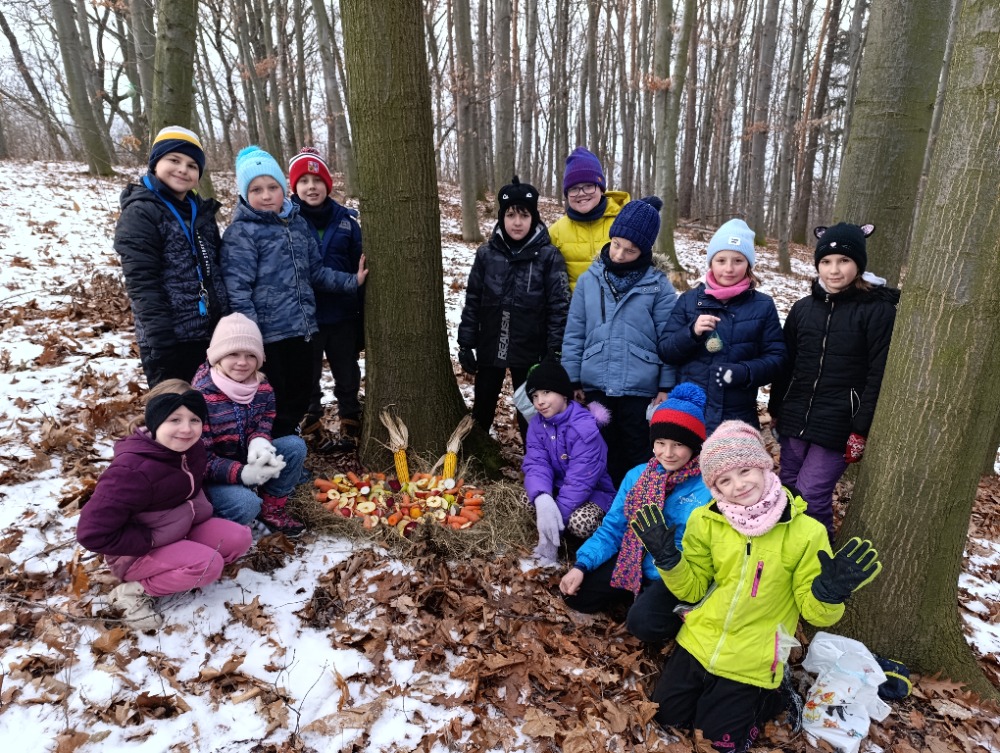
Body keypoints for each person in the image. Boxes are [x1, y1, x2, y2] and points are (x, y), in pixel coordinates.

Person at [630, 420, 882, 752]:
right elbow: (692, 591)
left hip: (753, 658)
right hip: (699, 642)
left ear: (763, 466)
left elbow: (815, 614)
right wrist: (669, 560)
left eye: (745, 471)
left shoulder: (806, 533)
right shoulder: (706, 521)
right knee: (666, 719)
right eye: (724, 480)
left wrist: (828, 593)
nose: (738, 485)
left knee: (719, 744)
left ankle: (769, 697)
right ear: (715, 487)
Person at [76, 380, 253, 630]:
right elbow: (91, 533)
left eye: (194, 420)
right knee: (208, 564)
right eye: (174, 419)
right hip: (136, 552)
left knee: (240, 538)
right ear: (155, 421)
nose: (186, 429)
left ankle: (186, 567)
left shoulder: (192, 450)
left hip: (181, 529)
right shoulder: (131, 471)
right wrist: (148, 540)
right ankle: (134, 591)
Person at [221, 145, 368, 438]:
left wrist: (352, 281)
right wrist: (250, 337)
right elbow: (238, 290)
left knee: (300, 391)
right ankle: (278, 446)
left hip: (302, 329)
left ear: (282, 189)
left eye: (272, 187)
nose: (266, 195)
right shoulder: (241, 232)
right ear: (245, 194)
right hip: (269, 335)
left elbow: (316, 272)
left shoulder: (297, 224)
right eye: (257, 189)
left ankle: (290, 442)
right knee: (277, 395)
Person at [768, 223, 899, 537]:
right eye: (826, 261)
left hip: (839, 421)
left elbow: (878, 373)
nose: (834, 270)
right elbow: (786, 365)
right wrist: (776, 408)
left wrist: (861, 428)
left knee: (810, 494)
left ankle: (820, 558)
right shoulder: (803, 309)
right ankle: (786, 554)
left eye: (844, 261)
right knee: (786, 489)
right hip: (796, 416)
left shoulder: (878, 311)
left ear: (859, 264)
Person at [559, 383, 713, 643]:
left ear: (694, 446)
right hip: (634, 559)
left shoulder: (708, 486)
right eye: (661, 443)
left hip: (677, 572)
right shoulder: (638, 476)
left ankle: (672, 612)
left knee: (643, 625)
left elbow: (707, 552)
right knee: (577, 595)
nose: (668, 453)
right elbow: (613, 528)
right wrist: (581, 565)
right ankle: (635, 592)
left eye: (678, 444)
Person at [561, 195, 677, 486]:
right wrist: (572, 380)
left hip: (640, 388)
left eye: (630, 250)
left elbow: (668, 339)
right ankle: (605, 500)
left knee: (637, 448)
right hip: (596, 384)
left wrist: (666, 386)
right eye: (616, 244)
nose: (620, 254)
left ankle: (638, 500)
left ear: (644, 250)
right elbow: (574, 333)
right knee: (601, 445)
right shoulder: (589, 280)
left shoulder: (658, 285)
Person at [114, 126, 230, 386]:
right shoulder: (141, 212)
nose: (182, 170)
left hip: (211, 334)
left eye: (192, 165)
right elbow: (142, 282)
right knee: (176, 404)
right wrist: (160, 340)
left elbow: (217, 269)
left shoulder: (201, 212)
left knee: (212, 404)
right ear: (156, 163)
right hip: (168, 339)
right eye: (174, 160)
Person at [457, 176, 570, 440]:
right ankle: (479, 453)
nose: (517, 222)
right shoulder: (486, 254)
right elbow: (473, 299)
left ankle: (535, 459)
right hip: (491, 344)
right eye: (510, 215)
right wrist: (466, 343)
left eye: (524, 215)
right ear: (502, 217)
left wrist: (554, 349)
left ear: (533, 218)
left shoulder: (548, 256)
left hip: (530, 349)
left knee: (530, 412)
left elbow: (559, 306)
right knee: (482, 406)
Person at [659, 218, 785, 433]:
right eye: (721, 260)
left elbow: (777, 359)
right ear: (711, 262)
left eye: (738, 260)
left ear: (748, 264)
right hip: (690, 412)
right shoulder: (689, 300)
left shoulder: (762, 305)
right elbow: (666, 351)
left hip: (736, 416)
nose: (729, 268)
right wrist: (691, 332)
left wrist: (744, 372)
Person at [192, 313, 307, 535]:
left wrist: (259, 443)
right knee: (246, 504)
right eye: (233, 354)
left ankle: (271, 508)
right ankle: (220, 522)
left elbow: (263, 423)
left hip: (245, 458)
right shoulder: (200, 397)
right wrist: (242, 473)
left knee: (294, 446)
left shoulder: (262, 388)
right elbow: (201, 461)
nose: (242, 362)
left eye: (250, 355)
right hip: (212, 478)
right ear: (217, 356)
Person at [288, 147, 365, 451]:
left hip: (342, 315)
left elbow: (359, 267)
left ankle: (350, 421)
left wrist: (361, 314)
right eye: (304, 181)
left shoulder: (347, 222)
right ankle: (311, 425)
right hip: (303, 318)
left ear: (327, 184)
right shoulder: (287, 221)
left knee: (347, 373)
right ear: (294, 187)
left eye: (317, 180)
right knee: (307, 376)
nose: (311, 187)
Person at [521, 359, 617, 565]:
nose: (540, 401)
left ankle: (585, 542)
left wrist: (554, 527)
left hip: (593, 494)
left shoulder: (584, 428)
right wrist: (543, 498)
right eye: (535, 396)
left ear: (563, 394)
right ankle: (551, 527)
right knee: (528, 499)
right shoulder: (537, 424)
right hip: (558, 487)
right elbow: (537, 463)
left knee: (580, 522)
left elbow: (580, 481)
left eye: (546, 392)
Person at [548, 146, 632, 291]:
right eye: (574, 188)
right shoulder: (555, 233)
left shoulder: (625, 223)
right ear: (567, 194)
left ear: (601, 188)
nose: (581, 193)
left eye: (588, 186)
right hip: (576, 305)